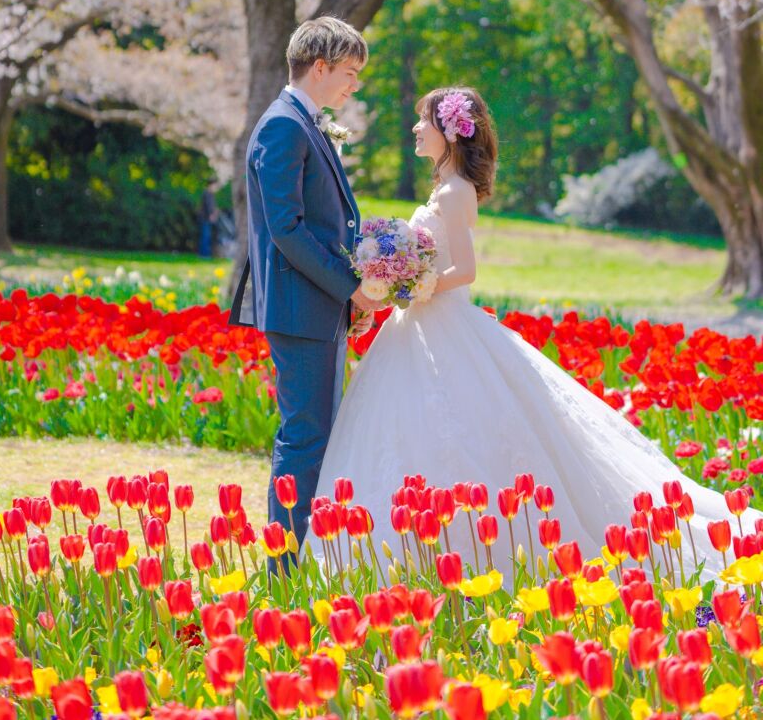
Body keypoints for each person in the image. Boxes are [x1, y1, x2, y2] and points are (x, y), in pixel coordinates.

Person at [313, 85, 758, 580]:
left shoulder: (457, 191)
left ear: (450, 132)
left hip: (441, 319)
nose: (416, 129)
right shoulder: (442, 186)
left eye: (424, 121)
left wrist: (414, 282)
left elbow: (466, 269)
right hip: (414, 325)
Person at [229, 17, 378, 551]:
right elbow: (285, 229)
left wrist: (352, 290)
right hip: (300, 309)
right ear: (320, 67)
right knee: (305, 439)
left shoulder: (305, 121)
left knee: (315, 436)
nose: (353, 84)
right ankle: (285, 567)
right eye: (349, 72)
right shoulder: (284, 126)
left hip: (316, 307)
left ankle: (305, 556)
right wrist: (350, 286)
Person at [198, 177, 219, 257]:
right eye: (215, 185)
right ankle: (204, 255)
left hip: (206, 219)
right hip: (205, 218)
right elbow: (209, 206)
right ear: (211, 185)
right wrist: (212, 215)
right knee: (205, 236)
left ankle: (205, 254)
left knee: (206, 236)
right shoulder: (207, 193)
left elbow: (212, 206)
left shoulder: (210, 194)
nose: (216, 187)